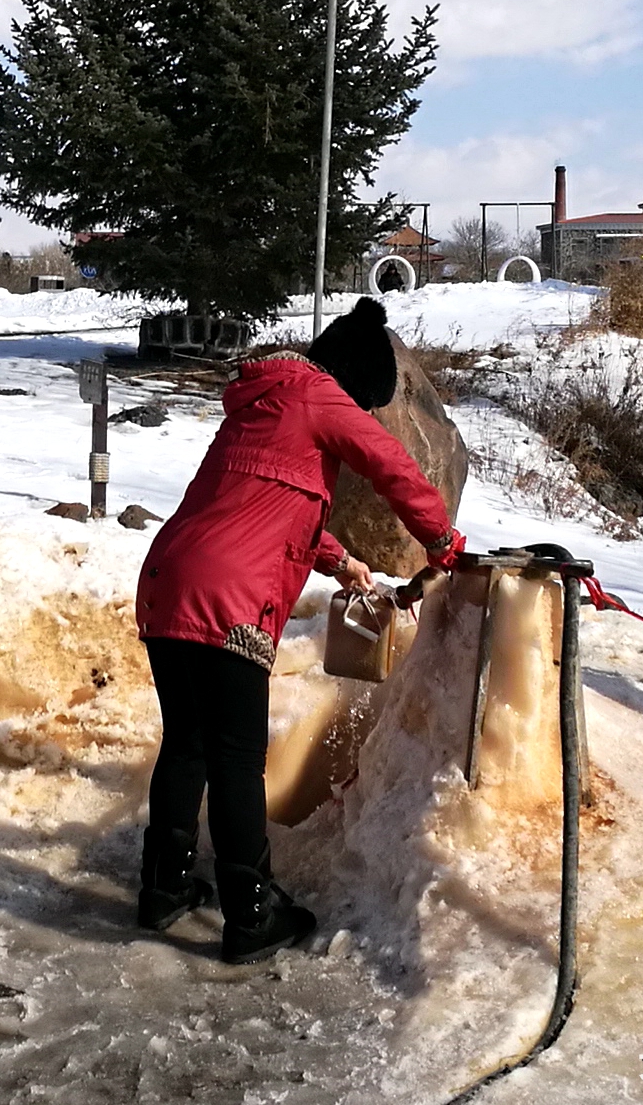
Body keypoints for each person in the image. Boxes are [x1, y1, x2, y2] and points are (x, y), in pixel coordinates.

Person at [134, 297, 466, 962]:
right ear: (350, 380)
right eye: (365, 402)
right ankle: (250, 915)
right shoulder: (320, 397)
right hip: (229, 603)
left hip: (168, 583)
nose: (364, 414)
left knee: (189, 743)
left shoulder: (263, 404)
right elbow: (396, 467)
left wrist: (338, 560)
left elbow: (255, 508)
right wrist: (443, 543)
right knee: (235, 755)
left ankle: (164, 890)